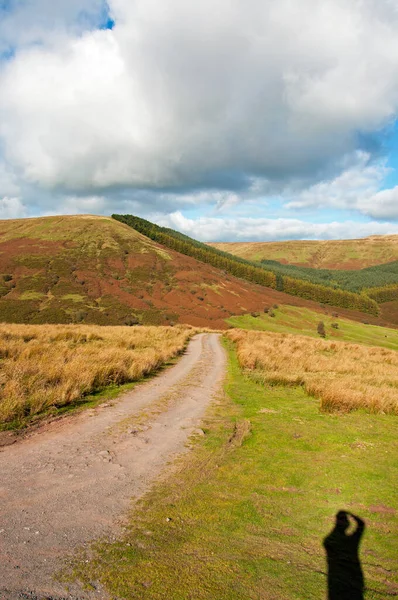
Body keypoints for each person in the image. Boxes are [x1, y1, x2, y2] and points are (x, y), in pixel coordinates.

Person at [323, 510, 365, 600]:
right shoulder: (352, 541)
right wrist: (353, 515)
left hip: (336, 576)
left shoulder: (329, 539)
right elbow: (361, 525)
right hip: (351, 574)